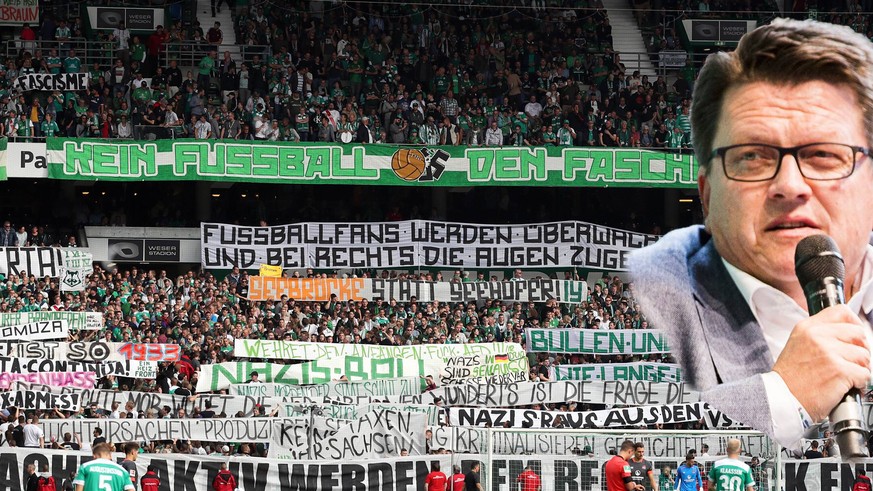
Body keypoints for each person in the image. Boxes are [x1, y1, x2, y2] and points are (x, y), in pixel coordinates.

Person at [629, 18, 873, 449]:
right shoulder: (652, 291)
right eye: (753, 157)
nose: (791, 186)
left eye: (823, 154)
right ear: (706, 194)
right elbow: (623, 441)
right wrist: (783, 395)